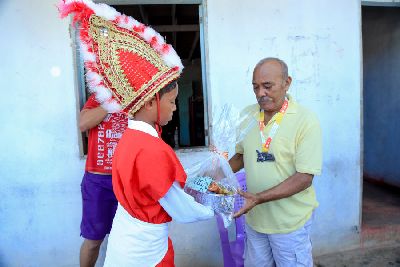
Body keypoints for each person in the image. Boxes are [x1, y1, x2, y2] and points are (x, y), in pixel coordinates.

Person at [57, 1, 214, 266]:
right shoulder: (151, 149)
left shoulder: (130, 138)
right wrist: (217, 207)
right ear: (152, 101)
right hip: (146, 252)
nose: (175, 109)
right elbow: (181, 208)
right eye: (172, 101)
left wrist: (201, 178)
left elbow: (159, 185)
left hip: (126, 241)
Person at [229, 57, 322, 267]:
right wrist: (215, 170)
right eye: (255, 87)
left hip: (290, 224)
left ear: (287, 82)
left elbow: (305, 177)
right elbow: (242, 156)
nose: (260, 93)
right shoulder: (247, 115)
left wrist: (259, 198)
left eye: (267, 86)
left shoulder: (305, 120)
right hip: (255, 221)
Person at [78, 95, 127, 267]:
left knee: (128, 239)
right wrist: (111, 102)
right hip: (98, 181)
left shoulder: (138, 97)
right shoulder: (98, 97)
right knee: (93, 242)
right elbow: (83, 123)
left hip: (128, 180)